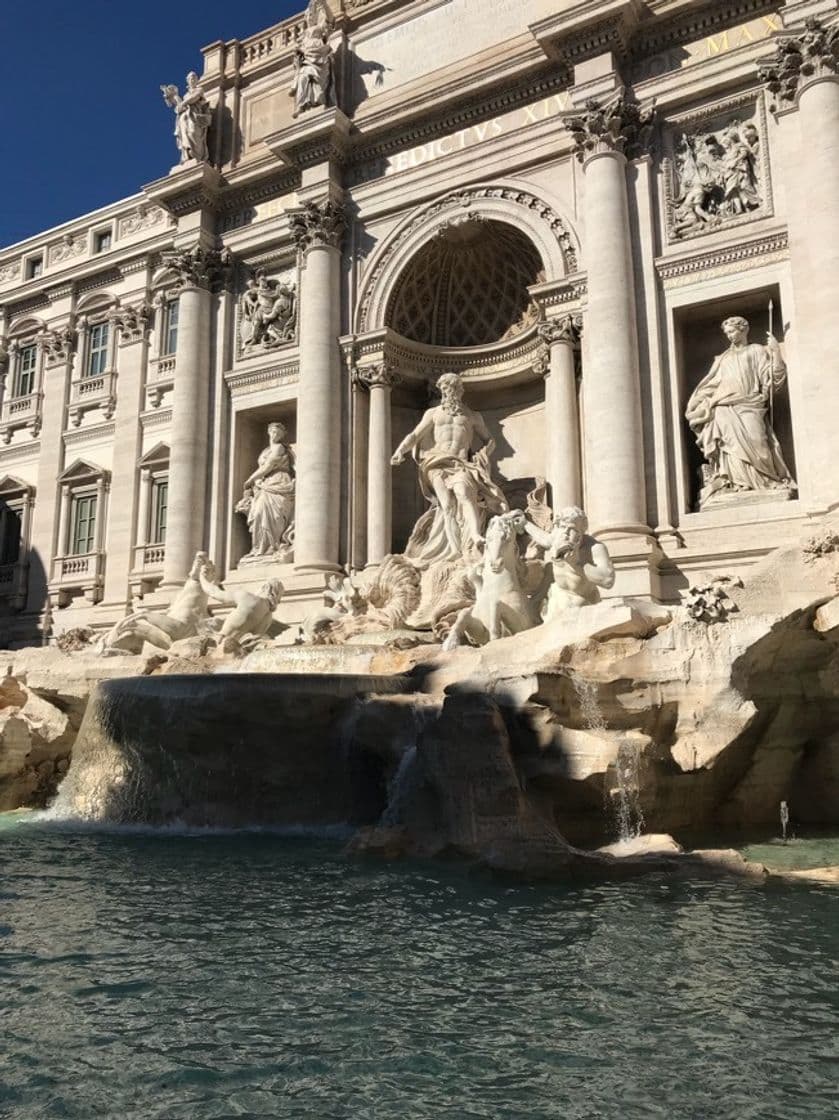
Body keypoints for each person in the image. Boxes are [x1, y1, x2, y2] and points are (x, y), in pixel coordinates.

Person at [390, 372, 507, 565]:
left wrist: (483, 455)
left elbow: (490, 440)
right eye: (444, 388)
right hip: (436, 461)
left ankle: (476, 536)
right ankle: (452, 549)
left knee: (463, 493)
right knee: (447, 504)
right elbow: (415, 435)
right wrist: (400, 451)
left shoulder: (472, 416)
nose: (448, 392)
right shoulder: (433, 413)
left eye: (452, 388)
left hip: (460, 464)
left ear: (460, 390)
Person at [685, 316, 794, 505]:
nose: (730, 336)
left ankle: (767, 481)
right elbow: (711, 384)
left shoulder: (757, 351)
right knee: (729, 447)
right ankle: (736, 483)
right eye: (727, 333)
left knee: (758, 442)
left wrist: (776, 352)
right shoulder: (723, 358)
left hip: (750, 404)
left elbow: (773, 379)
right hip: (723, 407)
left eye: (732, 331)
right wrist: (702, 401)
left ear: (744, 330)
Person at [520, 507, 615, 619]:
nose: (565, 533)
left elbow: (608, 580)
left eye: (571, 529)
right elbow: (544, 539)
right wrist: (525, 523)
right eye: (562, 527)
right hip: (557, 605)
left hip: (584, 610)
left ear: (581, 532)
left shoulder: (594, 548)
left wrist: (577, 564)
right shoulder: (558, 537)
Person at [236, 423, 295, 561]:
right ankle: (259, 548)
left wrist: (251, 479)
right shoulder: (265, 451)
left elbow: (269, 465)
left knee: (275, 516)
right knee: (257, 513)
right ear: (269, 433)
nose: (276, 435)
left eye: (279, 434)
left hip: (279, 481)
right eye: (273, 432)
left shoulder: (280, 448)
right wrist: (257, 482)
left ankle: (272, 547)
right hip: (265, 484)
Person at [161, 73, 212, 163]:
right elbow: (180, 106)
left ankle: (197, 156)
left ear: (197, 80)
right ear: (187, 81)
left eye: (194, 78)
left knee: (193, 133)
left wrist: (183, 103)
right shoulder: (185, 96)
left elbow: (194, 98)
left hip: (195, 118)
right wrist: (173, 95)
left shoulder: (199, 90)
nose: (192, 80)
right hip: (185, 118)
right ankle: (188, 156)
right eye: (190, 79)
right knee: (185, 135)